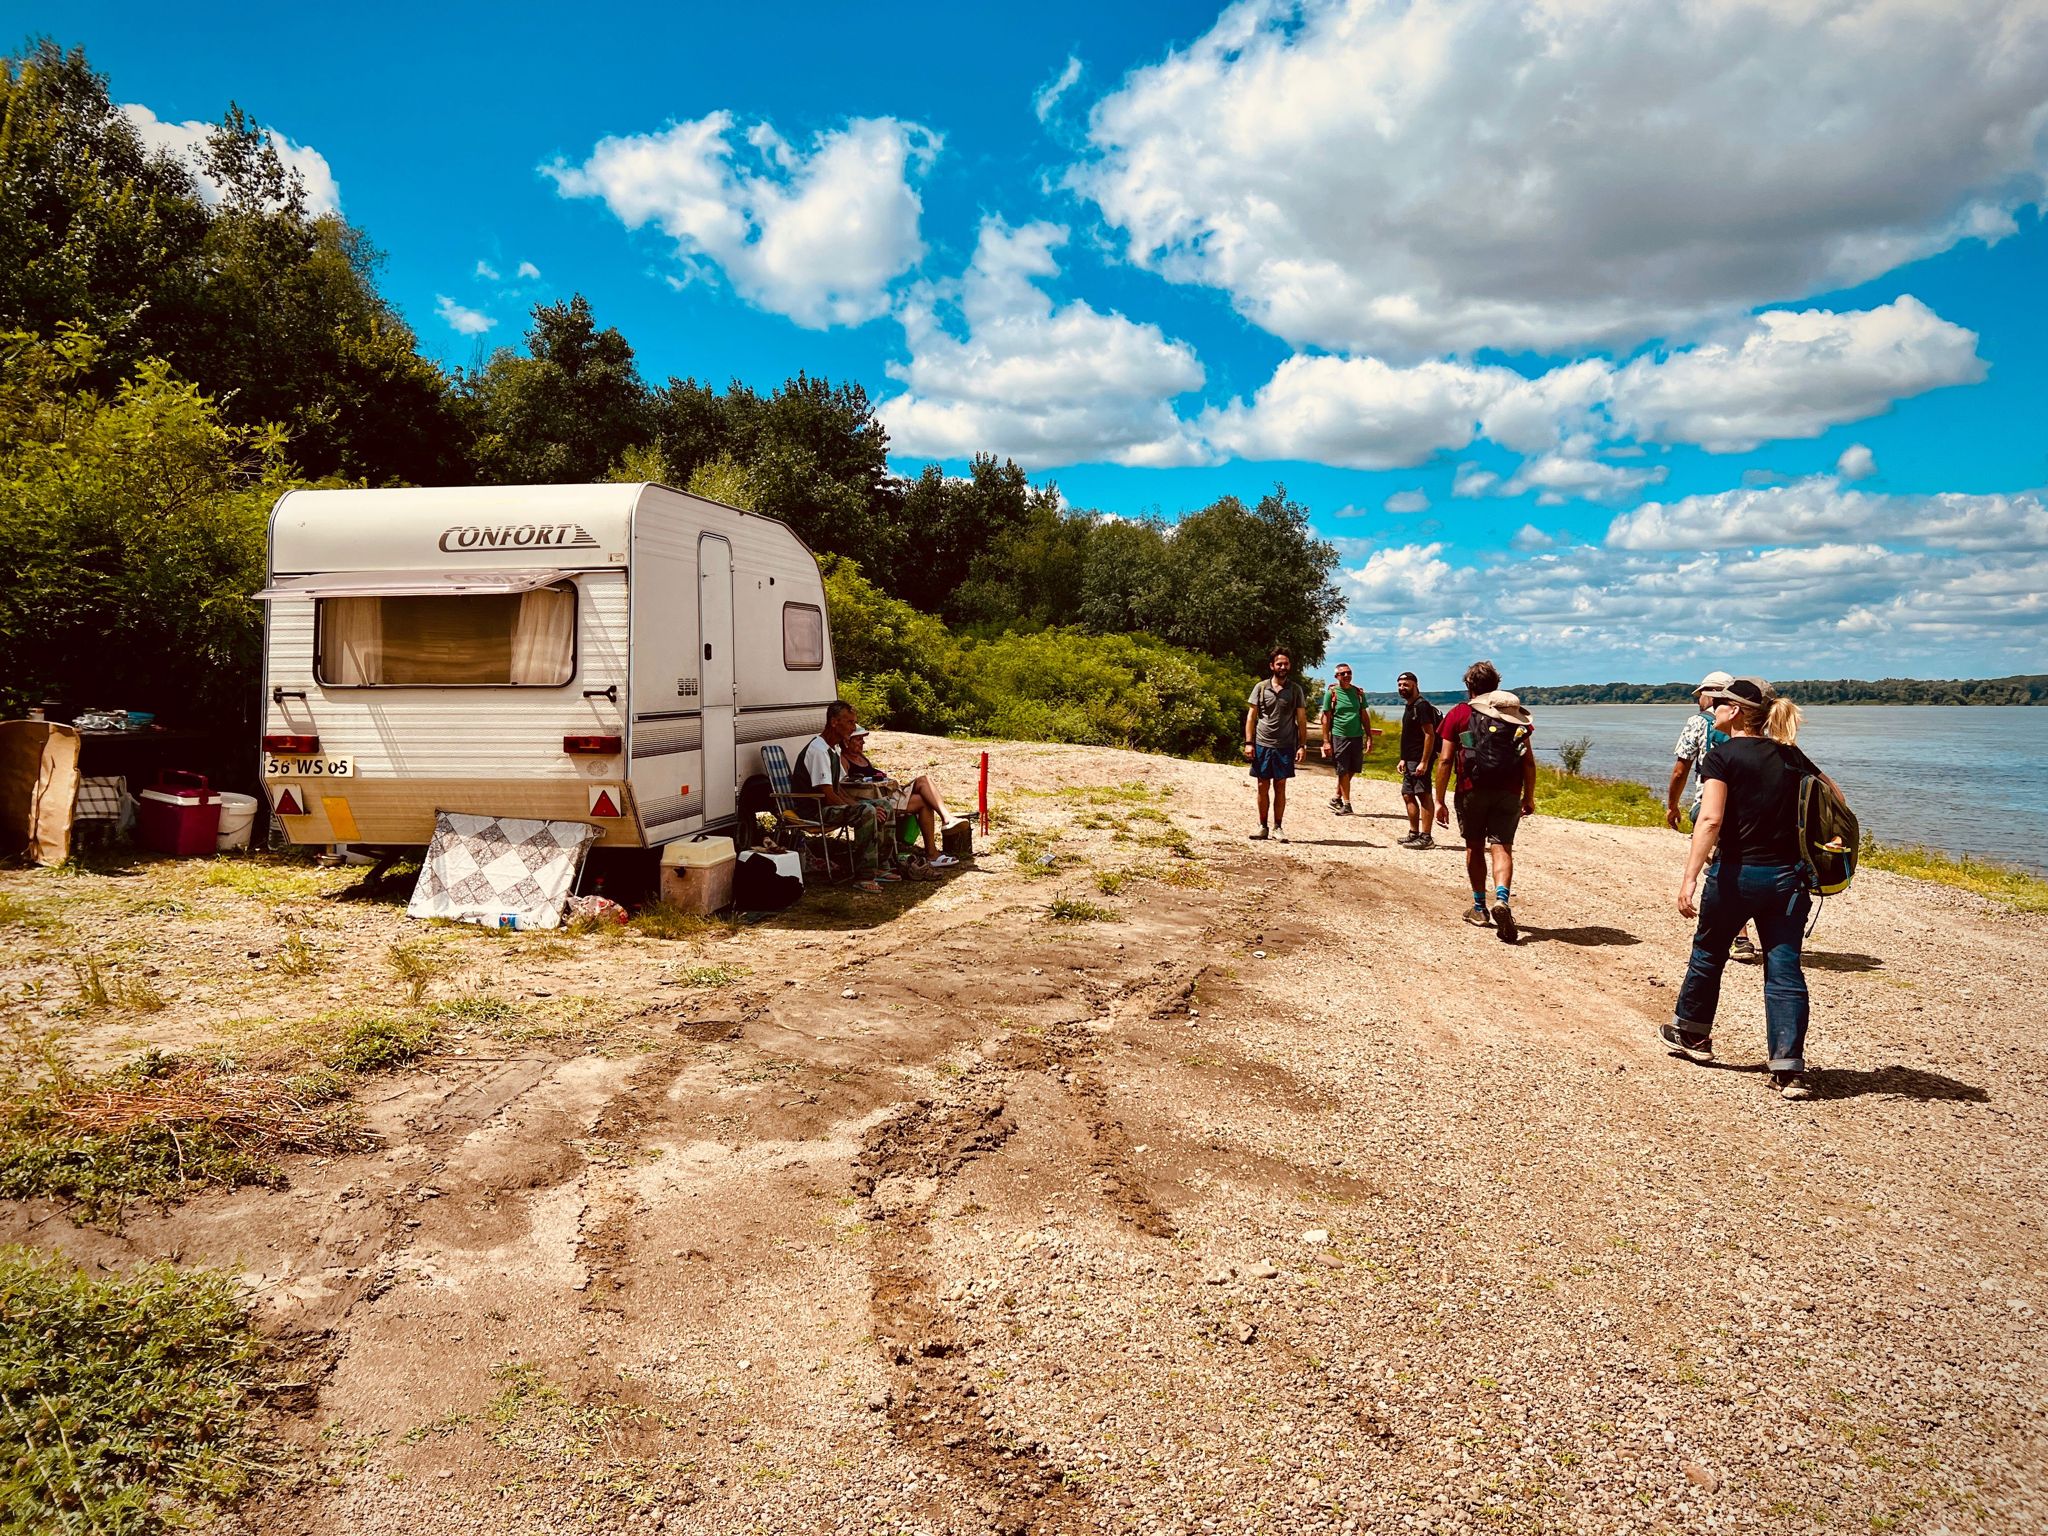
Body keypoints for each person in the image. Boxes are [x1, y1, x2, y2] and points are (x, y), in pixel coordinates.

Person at [1666, 678, 1844, 1101]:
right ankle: (1787, 1067)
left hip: (1736, 875)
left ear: (1737, 712)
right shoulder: (1791, 755)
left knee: (1709, 952)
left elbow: (1709, 821)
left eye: (1722, 703)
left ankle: (1693, 1036)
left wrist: (1689, 876)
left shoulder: (1723, 757)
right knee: (1784, 967)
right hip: (1787, 879)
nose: (1716, 709)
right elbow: (1835, 795)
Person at [1433, 662, 1537, 942]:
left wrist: (1439, 799)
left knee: (1475, 846)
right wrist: (1528, 795)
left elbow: (1444, 760)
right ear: (1497, 685)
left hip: (1471, 789)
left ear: (1469, 686)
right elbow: (1527, 761)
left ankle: (1479, 907)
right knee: (1502, 846)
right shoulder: (1511, 715)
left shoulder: (1459, 714)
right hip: (1509, 790)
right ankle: (1502, 899)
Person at [793, 702, 896, 893]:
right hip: (815, 810)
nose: (853, 727)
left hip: (828, 805)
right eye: (849, 722)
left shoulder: (834, 749)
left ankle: (881, 865)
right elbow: (828, 794)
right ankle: (864, 876)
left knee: (884, 805)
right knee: (867, 812)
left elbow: (838, 789)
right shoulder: (818, 750)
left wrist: (860, 804)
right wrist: (860, 808)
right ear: (834, 722)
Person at [842, 727, 959, 869]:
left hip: (888, 793)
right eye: (859, 739)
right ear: (847, 741)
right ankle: (933, 848)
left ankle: (946, 820)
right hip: (877, 800)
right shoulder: (844, 760)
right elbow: (846, 788)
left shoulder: (862, 757)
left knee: (924, 781)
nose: (863, 743)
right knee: (923, 799)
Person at [1243, 648, 1309, 842]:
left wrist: (1302, 745)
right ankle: (1262, 826)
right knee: (1262, 785)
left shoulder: (1295, 690)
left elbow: (1302, 720)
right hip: (1262, 744)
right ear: (1272, 666)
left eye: (1286, 664)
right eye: (1279, 664)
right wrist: (1249, 743)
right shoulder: (1261, 687)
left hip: (1285, 745)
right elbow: (1251, 717)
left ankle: (1278, 827)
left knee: (1281, 786)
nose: (1283, 667)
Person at [1666, 670, 1734, 830]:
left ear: (1712, 694)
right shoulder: (1745, 719)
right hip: (1743, 807)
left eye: (1700, 695)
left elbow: (1680, 772)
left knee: (1698, 814)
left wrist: (1672, 806)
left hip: (1708, 806)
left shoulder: (1698, 721)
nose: (1698, 701)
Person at [1394, 671, 1442, 849]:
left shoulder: (1422, 706)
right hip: (1410, 759)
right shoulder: (1410, 706)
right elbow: (1408, 736)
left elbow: (1429, 735)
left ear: (1415, 684)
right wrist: (1403, 758)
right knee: (1407, 794)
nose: (1402, 688)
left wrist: (1424, 761)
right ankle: (1414, 833)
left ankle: (1426, 837)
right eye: (1399, 685)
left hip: (1421, 759)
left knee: (1423, 794)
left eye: (1405, 684)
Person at [1317, 663, 1370, 815]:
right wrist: (1326, 741)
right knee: (1342, 769)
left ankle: (1336, 798)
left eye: (1348, 673)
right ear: (1336, 677)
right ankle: (1347, 804)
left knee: (1353, 768)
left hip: (1357, 736)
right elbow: (1326, 718)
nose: (1346, 676)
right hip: (1339, 735)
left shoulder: (1358, 693)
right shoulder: (1332, 693)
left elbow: (1364, 715)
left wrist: (1369, 737)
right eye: (1342, 674)